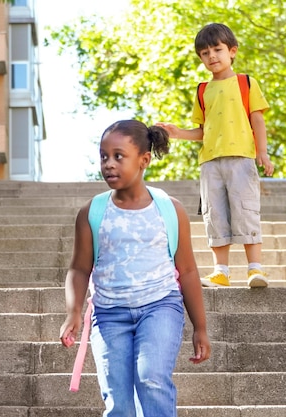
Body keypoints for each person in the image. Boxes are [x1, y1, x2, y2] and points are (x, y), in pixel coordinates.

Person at [60, 120, 211, 417]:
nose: (108, 164)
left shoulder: (170, 208)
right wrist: (74, 311)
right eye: (104, 156)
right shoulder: (92, 212)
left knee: (151, 377)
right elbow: (79, 269)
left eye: (119, 156)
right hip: (109, 314)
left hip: (160, 307)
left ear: (144, 160)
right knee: (119, 401)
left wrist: (200, 328)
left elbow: (189, 271)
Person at [157, 23, 274, 288]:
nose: (212, 56)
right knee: (215, 214)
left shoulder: (246, 83)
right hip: (210, 163)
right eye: (205, 53)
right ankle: (220, 271)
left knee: (246, 211)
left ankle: (255, 269)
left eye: (217, 50)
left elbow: (257, 121)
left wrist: (262, 153)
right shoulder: (202, 91)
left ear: (232, 51)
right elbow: (202, 131)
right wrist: (177, 133)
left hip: (241, 159)